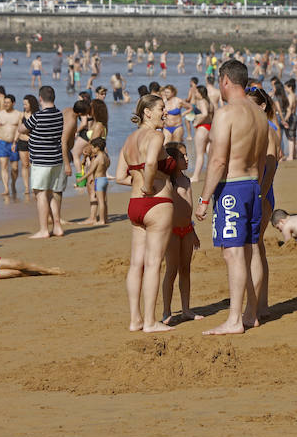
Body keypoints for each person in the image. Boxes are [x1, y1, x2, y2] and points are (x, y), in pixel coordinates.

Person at [194, 59, 269, 335]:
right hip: (252, 185)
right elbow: (261, 161)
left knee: (233, 254)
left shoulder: (226, 114)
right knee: (248, 251)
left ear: (225, 80)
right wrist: (258, 189)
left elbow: (217, 162)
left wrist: (203, 199)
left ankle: (235, 319)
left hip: (232, 188)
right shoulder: (260, 115)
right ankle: (251, 313)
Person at [117, 94, 176, 333]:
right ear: (147, 112)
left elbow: (120, 176)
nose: (166, 112)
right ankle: (151, 322)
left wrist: (139, 183)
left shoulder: (130, 139)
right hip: (156, 203)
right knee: (153, 264)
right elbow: (151, 163)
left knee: (135, 265)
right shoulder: (155, 136)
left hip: (134, 205)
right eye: (162, 108)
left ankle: (135, 320)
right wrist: (149, 185)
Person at [245, 85, 281, 319]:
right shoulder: (262, 127)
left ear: (262, 105)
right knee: (257, 248)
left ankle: (254, 308)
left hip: (262, 193)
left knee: (253, 249)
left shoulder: (267, 129)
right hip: (260, 192)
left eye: (249, 105)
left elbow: (271, 167)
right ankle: (262, 304)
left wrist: (260, 194)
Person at [161, 143, 203, 325]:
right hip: (171, 232)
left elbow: (188, 210)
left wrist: (193, 230)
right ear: (172, 160)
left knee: (185, 270)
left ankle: (186, 309)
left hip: (186, 230)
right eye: (183, 156)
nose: (187, 159)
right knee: (171, 271)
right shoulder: (167, 183)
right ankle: (166, 312)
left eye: (187, 156)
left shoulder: (186, 180)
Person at [19, 86, 67, 239]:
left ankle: (44, 229)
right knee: (51, 193)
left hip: (41, 161)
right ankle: (57, 226)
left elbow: (21, 129)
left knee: (40, 195)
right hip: (56, 159)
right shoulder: (59, 115)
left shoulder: (38, 116)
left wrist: (31, 131)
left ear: (40, 99)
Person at [0, 94, 22, 196]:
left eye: (8, 103)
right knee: (3, 166)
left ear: (13, 103)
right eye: (4, 102)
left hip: (14, 143)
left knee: (15, 167)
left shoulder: (18, 114)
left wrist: (15, 141)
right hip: (2, 142)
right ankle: (6, 188)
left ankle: (13, 183)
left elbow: (19, 129)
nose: (5, 104)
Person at [78, 137, 109, 225]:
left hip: (98, 180)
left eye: (93, 147)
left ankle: (101, 220)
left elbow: (90, 171)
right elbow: (108, 164)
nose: (92, 149)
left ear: (97, 148)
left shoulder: (97, 159)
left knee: (100, 201)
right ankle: (105, 218)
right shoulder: (106, 156)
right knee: (104, 200)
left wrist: (81, 178)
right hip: (105, 179)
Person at [189, 85, 214, 183]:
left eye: (196, 92)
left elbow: (205, 114)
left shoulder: (201, 101)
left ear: (200, 93)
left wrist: (196, 122)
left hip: (202, 128)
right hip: (209, 128)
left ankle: (195, 176)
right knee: (209, 153)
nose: (195, 94)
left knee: (199, 154)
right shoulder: (209, 102)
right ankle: (212, 174)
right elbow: (212, 114)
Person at [15, 95, 38, 196]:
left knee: (34, 165)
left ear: (31, 104)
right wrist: (14, 141)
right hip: (22, 142)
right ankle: (26, 187)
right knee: (25, 165)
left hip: (33, 142)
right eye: (23, 104)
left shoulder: (36, 115)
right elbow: (18, 129)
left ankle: (34, 186)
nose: (24, 106)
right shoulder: (22, 115)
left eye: (26, 104)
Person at [281, 78, 297, 161]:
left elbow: (289, 109)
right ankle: (294, 154)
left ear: (290, 87)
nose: (285, 89)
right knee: (294, 136)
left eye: (286, 87)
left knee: (290, 137)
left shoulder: (290, 97)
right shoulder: (295, 96)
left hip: (291, 117)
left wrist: (285, 119)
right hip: (295, 116)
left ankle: (291, 156)